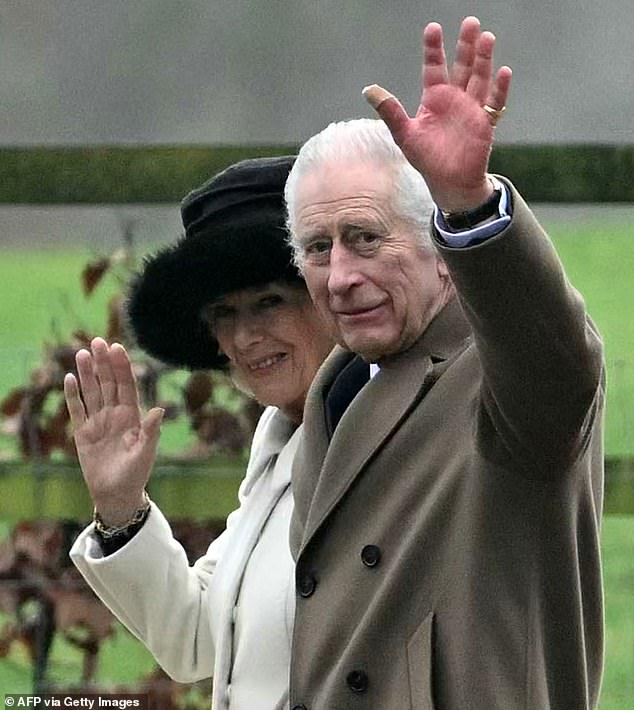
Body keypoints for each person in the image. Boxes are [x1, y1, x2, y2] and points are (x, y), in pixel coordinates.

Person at [283, 17, 604, 710]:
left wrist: (468, 206)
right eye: (317, 248)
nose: (339, 276)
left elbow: (559, 364)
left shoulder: (501, 377)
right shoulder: (332, 390)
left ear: (437, 249)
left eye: (364, 238)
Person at [65, 156, 334, 710]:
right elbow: (197, 638)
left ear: (332, 295)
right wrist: (119, 507)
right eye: (222, 313)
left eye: (269, 301)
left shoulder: (397, 429)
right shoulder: (280, 440)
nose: (245, 335)